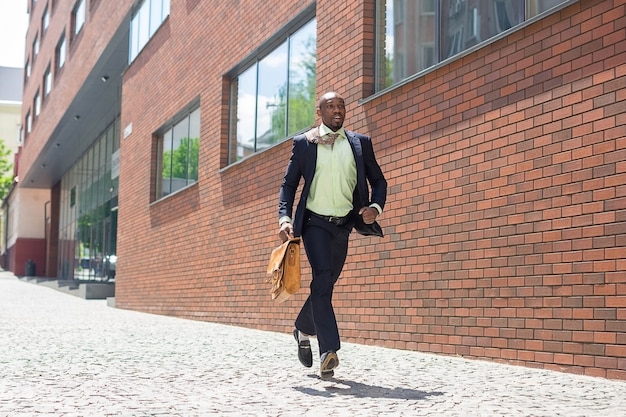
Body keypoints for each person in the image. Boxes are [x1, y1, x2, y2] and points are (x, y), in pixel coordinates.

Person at [277, 91, 387, 380]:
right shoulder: (305, 143)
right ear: (320, 111)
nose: (337, 110)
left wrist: (375, 207)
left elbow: (378, 179)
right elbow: (288, 185)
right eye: (330, 106)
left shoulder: (360, 143)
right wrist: (285, 218)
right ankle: (329, 352)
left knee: (325, 283)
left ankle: (302, 328)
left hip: (344, 225)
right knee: (323, 276)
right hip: (314, 223)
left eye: (341, 106)